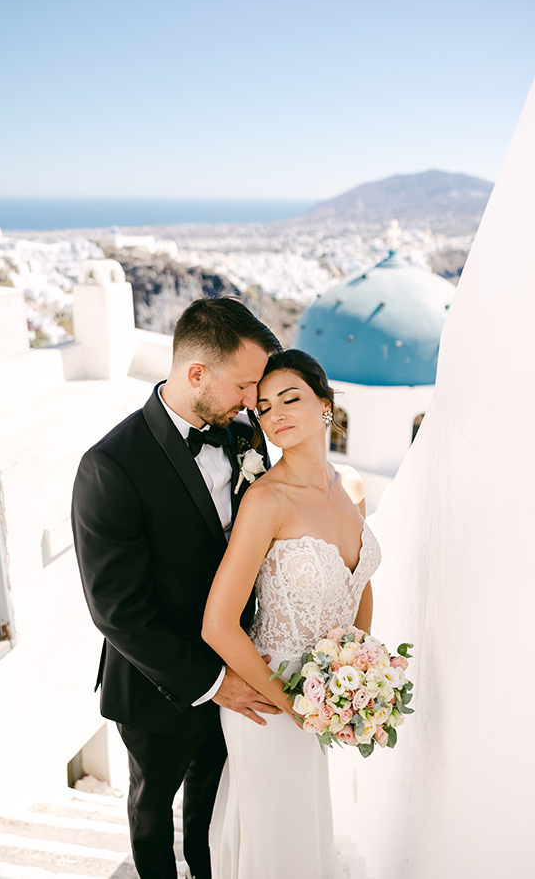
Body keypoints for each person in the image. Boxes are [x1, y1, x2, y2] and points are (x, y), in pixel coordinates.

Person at [71, 296, 282, 879]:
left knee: (213, 809)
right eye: (244, 385)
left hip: (241, 663)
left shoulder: (243, 435)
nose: (254, 401)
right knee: (152, 809)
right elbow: (118, 610)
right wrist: (213, 683)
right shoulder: (110, 466)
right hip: (156, 686)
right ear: (196, 375)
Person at [202, 348, 382, 879]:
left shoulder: (351, 486)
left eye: (289, 399)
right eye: (263, 408)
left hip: (321, 699)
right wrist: (290, 702)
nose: (274, 414)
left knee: (306, 836)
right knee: (277, 848)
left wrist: (356, 670)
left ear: (326, 405)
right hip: (269, 702)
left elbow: (359, 582)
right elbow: (218, 624)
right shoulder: (266, 501)